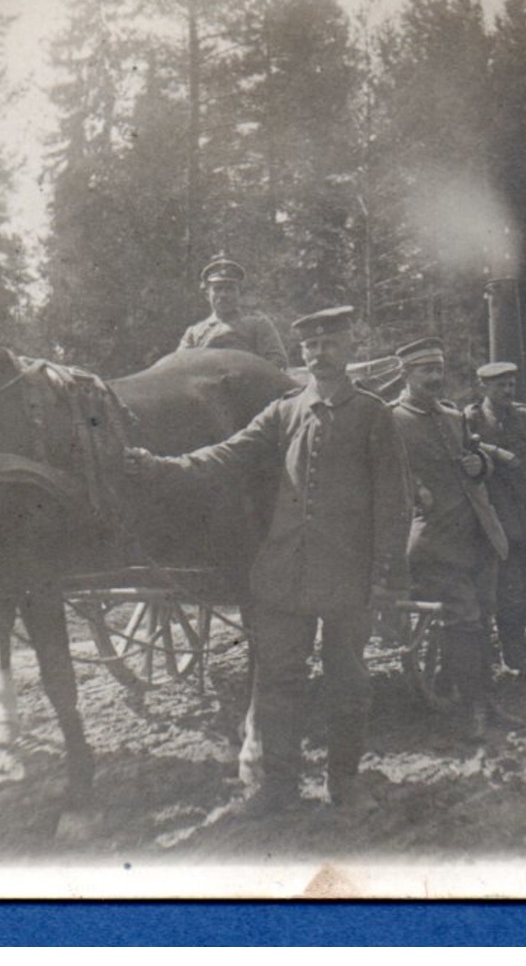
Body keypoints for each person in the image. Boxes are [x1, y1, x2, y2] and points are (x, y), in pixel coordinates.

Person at [125, 306, 411, 813]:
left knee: (348, 683)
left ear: (347, 349)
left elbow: (394, 501)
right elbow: (228, 453)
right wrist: (162, 468)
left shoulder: (373, 414)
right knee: (277, 680)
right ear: (302, 354)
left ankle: (343, 784)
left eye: (330, 344)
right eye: (312, 347)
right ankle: (276, 788)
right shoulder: (284, 411)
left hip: (347, 573)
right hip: (284, 572)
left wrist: (386, 579)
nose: (321, 354)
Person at [390, 337, 511, 740]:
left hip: (475, 533)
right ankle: (474, 711)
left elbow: (476, 463)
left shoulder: (453, 416)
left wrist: (481, 465)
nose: (435, 379)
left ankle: (487, 704)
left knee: (481, 618)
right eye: (426, 371)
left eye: (438, 370)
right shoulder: (391, 421)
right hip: (432, 540)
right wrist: (413, 488)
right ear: (406, 374)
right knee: (463, 619)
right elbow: (381, 477)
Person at [463, 362, 526, 674]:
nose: (507, 391)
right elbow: (464, 447)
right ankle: (509, 650)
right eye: (500, 386)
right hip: (493, 514)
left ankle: (514, 643)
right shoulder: (471, 417)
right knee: (506, 588)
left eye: (511, 385)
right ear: (483, 388)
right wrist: (497, 452)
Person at [178, 255, 290, 369]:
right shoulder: (194, 333)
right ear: (207, 294)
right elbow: (178, 367)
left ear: (239, 293)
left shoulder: (258, 326)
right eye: (217, 289)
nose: (223, 295)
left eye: (230, 289)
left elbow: (278, 362)